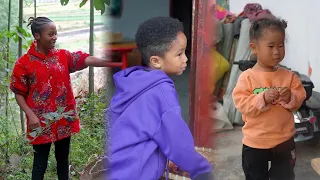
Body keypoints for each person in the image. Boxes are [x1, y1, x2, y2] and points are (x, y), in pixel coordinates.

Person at [106, 17, 213, 180]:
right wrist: (202, 169)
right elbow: (177, 144)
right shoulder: (161, 92)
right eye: (179, 54)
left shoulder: (132, 81)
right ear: (156, 61)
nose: (186, 59)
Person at [10, 17, 110, 180]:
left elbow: (84, 59)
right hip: (40, 123)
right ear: (37, 36)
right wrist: (30, 114)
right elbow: (18, 92)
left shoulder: (62, 56)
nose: (55, 37)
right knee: (39, 164)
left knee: (63, 159)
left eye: (56, 33)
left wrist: (109, 62)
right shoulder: (23, 64)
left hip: (63, 119)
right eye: (50, 34)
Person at [232, 17, 306, 180]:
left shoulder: (289, 76)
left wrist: (291, 97)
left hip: (284, 141)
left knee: (284, 176)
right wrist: (262, 98)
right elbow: (241, 104)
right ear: (254, 48)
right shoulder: (247, 78)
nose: (277, 51)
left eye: (281, 45)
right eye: (271, 46)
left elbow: (300, 97)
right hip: (255, 143)